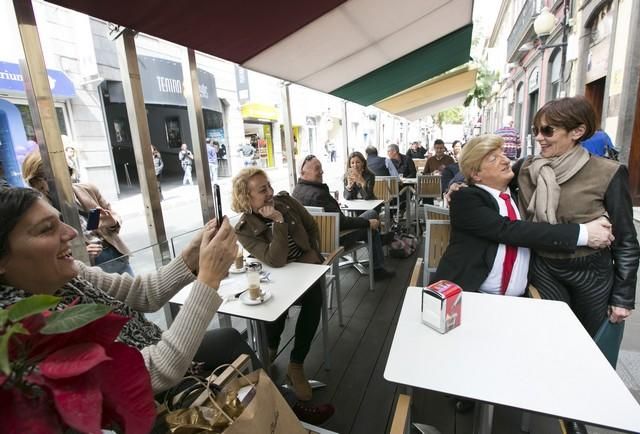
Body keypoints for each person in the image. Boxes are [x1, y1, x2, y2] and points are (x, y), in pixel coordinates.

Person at [0, 187, 334, 425]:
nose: (71, 232)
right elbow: (157, 371)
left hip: (159, 356)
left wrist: (190, 258)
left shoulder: (72, 274)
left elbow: (143, 294)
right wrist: (208, 278)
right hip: (152, 406)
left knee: (229, 340)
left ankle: (284, 410)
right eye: (47, 229)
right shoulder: (18, 335)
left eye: (60, 220)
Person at [434, 134, 614, 295]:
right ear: (476, 174)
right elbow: (511, 230)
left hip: (521, 298)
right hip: (469, 295)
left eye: (503, 154)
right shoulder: (466, 198)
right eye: (493, 158)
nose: (505, 160)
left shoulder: (518, 193)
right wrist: (584, 234)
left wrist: (603, 215)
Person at [520, 96, 639, 337]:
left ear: (577, 131)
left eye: (547, 130)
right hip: (544, 267)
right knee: (549, 342)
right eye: (536, 130)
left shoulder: (608, 172)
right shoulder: (526, 168)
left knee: (590, 346)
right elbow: (485, 170)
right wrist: (459, 184)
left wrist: (623, 296)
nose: (539, 137)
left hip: (591, 273)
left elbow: (626, 238)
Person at [231, 168, 323, 401]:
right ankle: (270, 350)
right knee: (272, 302)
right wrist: (278, 222)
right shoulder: (244, 229)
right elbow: (276, 259)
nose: (270, 193)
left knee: (314, 297)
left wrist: (313, 253)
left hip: (307, 269)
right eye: (263, 190)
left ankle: (296, 365)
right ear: (246, 197)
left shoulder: (286, 201)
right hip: (279, 277)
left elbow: (311, 225)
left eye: (269, 186)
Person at [21, 150, 133, 275]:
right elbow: (43, 250)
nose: (62, 178)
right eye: (51, 177)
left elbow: (110, 217)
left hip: (116, 254)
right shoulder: (37, 209)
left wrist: (112, 222)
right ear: (35, 182)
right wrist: (79, 252)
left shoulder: (87, 190)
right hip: (87, 267)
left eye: (66, 171)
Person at [293, 156, 394, 279]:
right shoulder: (318, 194)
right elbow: (342, 221)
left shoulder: (296, 191)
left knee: (371, 221)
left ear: (363, 163)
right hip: (336, 239)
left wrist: (360, 182)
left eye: (358, 162)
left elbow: (365, 197)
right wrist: (367, 223)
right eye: (317, 169)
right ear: (303, 172)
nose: (322, 172)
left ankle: (379, 248)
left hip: (316, 242)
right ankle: (378, 268)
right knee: (372, 216)